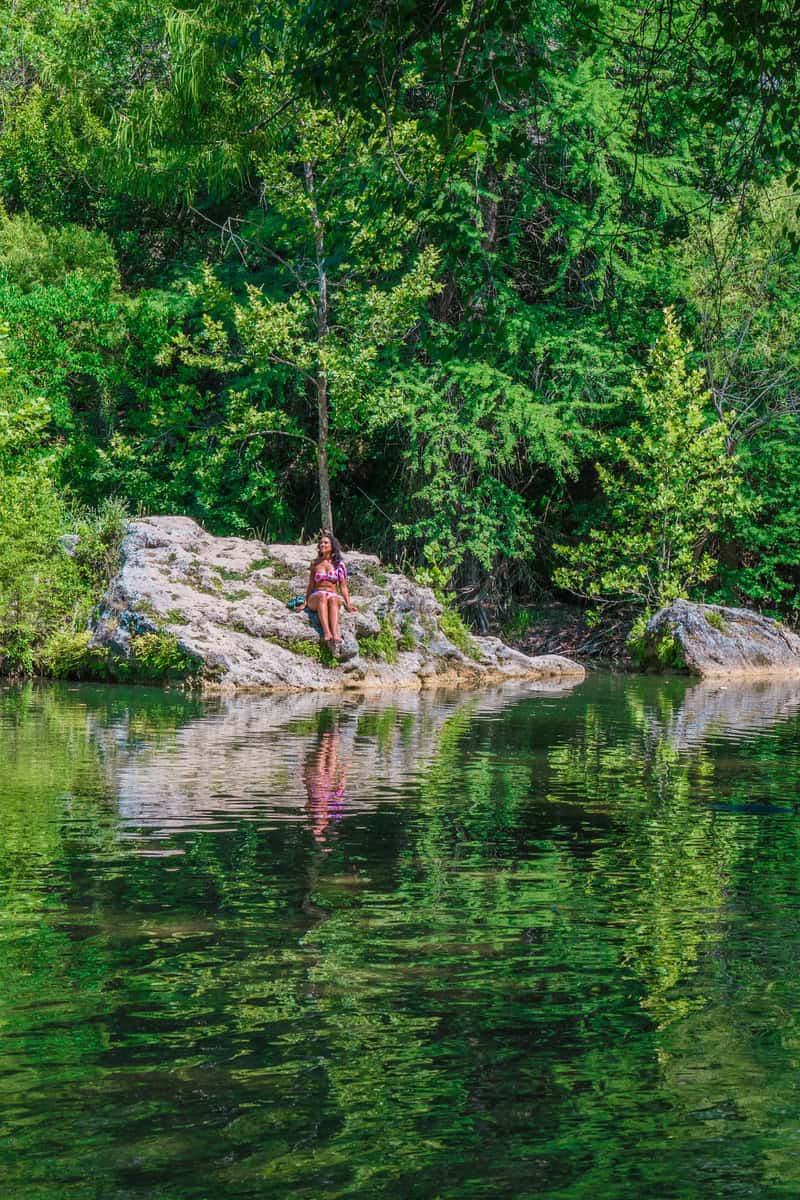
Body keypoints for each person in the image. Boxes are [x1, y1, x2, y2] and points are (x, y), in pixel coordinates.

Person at [304, 531, 357, 649]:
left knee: (333, 599)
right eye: (321, 543)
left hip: (332, 594)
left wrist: (348, 604)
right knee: (322, 597)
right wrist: (305, 602)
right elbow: (311, 585)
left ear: (332, 546)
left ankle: (335, 633)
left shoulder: (339, 564)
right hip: (316, 596)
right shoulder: (315, 563)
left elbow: (343, 586)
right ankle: (326, 632)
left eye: (326, 543)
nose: (322, 545)